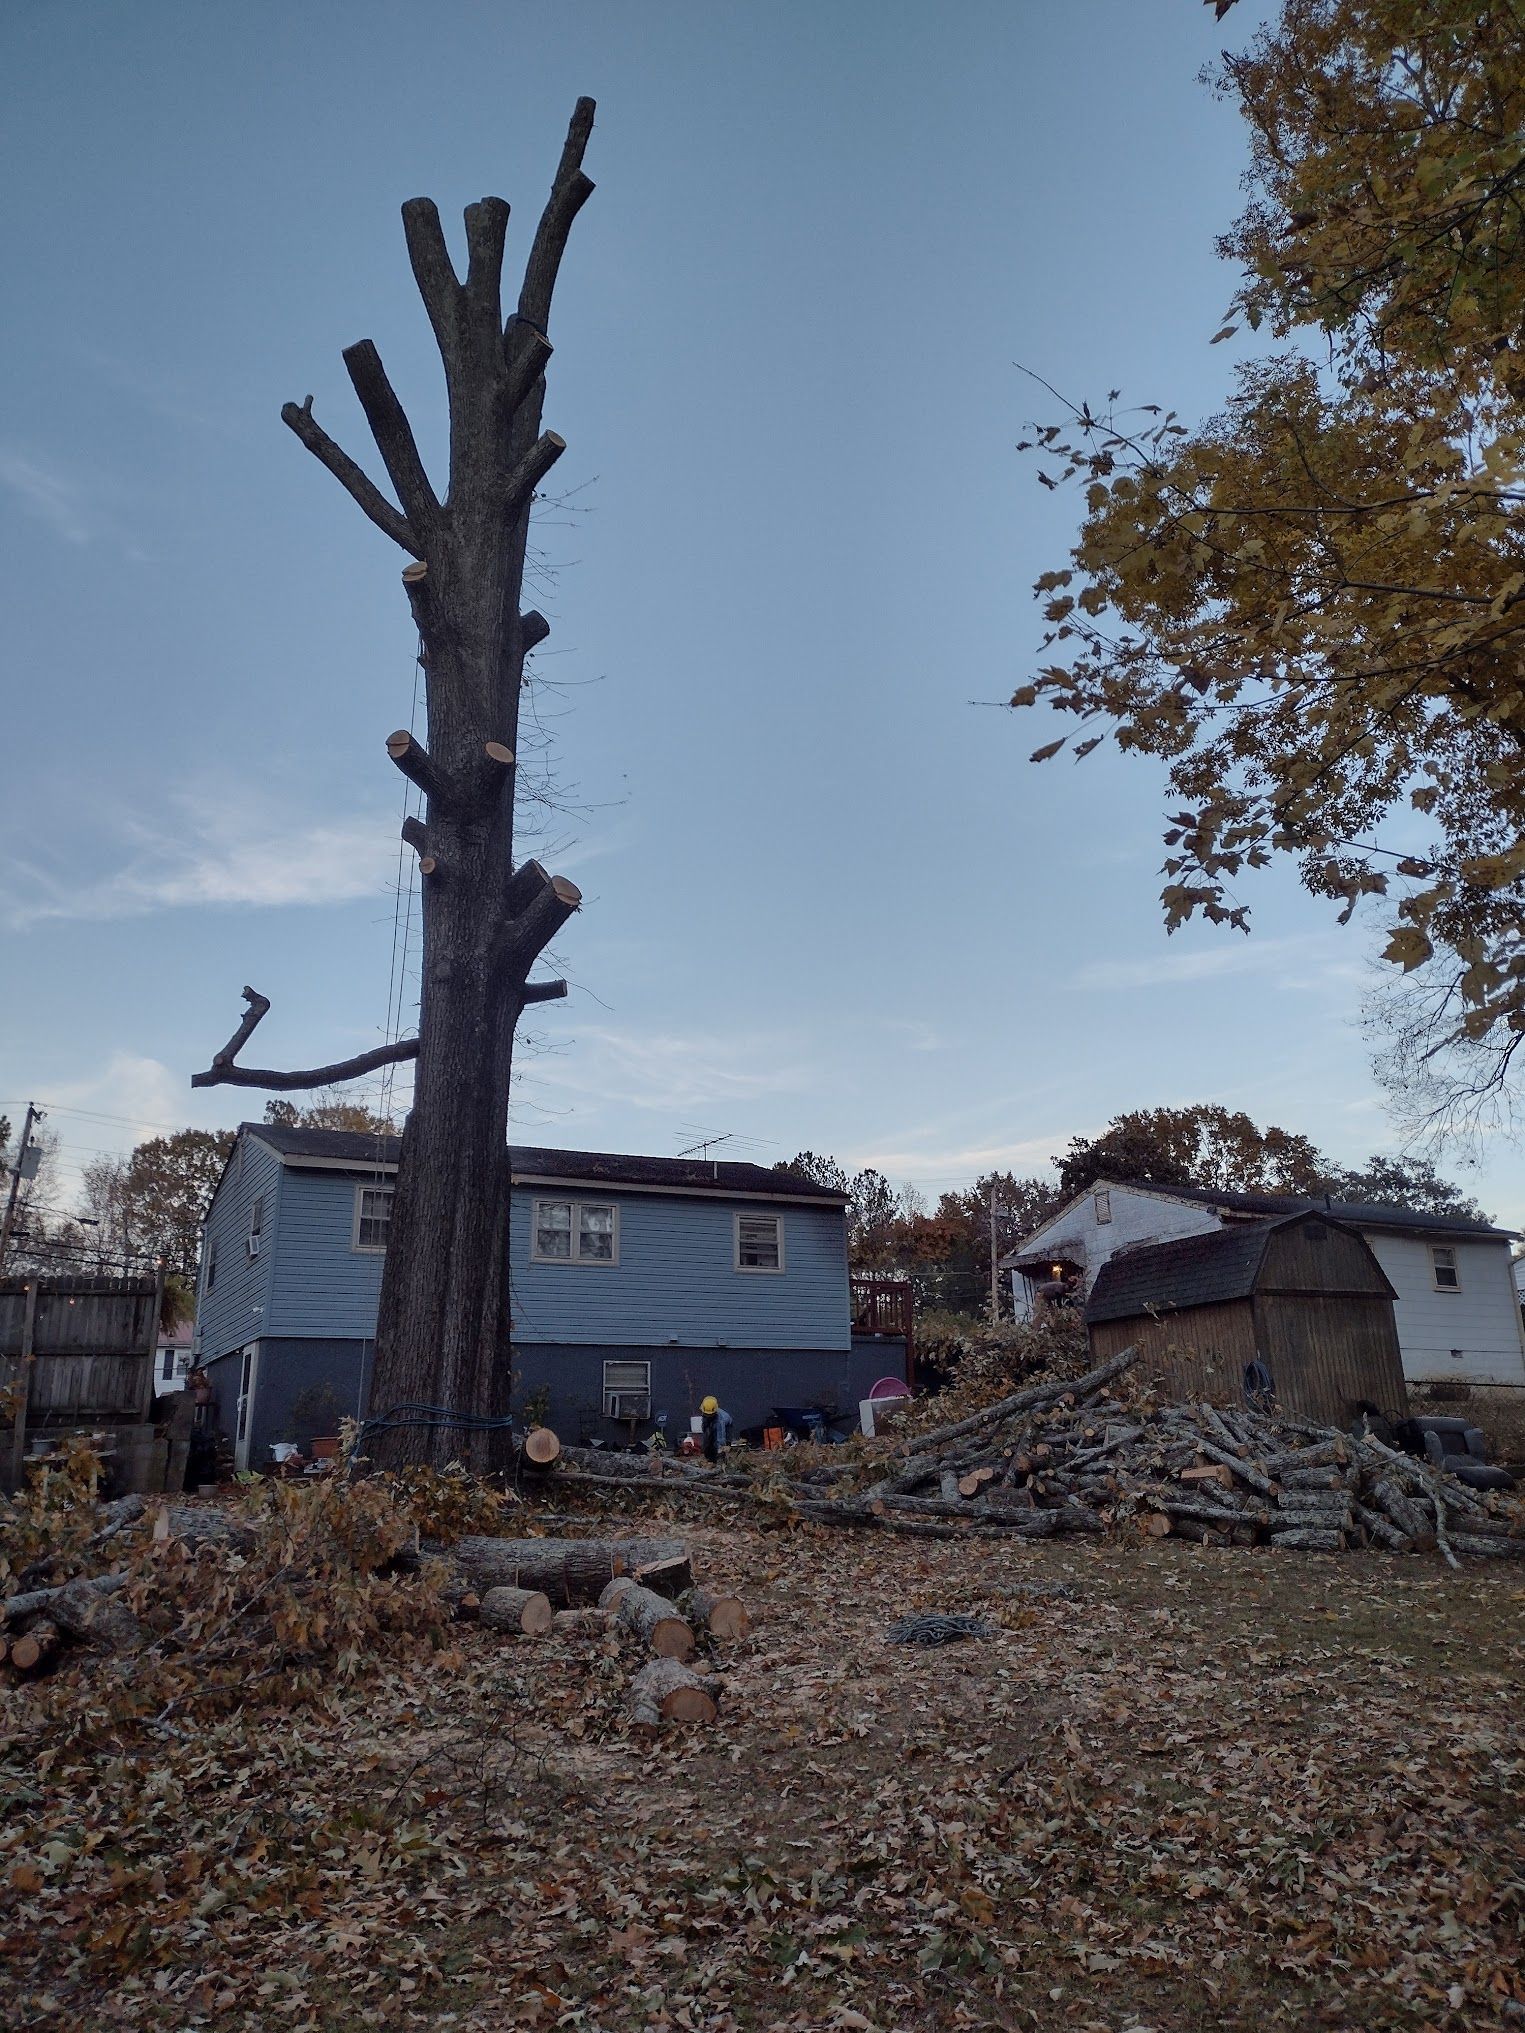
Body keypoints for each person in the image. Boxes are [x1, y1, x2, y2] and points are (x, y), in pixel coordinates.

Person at [700, 1394, 733, 1463]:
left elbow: (721, 1436)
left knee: (719, 1443)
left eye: (709, 1415)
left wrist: (720, 1448)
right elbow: (704, 1427)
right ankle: (709, 1458)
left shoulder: (720, 1420)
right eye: (706, 1414)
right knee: (708, 1441)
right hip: (713, 1423)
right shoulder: (705, 1414)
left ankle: (722, 1460)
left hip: (727, 1426)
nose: (708, 1416)